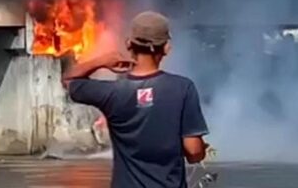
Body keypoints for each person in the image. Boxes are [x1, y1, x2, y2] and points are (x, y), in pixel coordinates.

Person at [63, 11, 209, 188]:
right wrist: (201, 151)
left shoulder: (112, 92)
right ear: (166, 48)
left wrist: (101, 61)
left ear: (129, 44)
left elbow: (68, 80)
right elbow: (194, 151)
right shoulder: (183, 88)